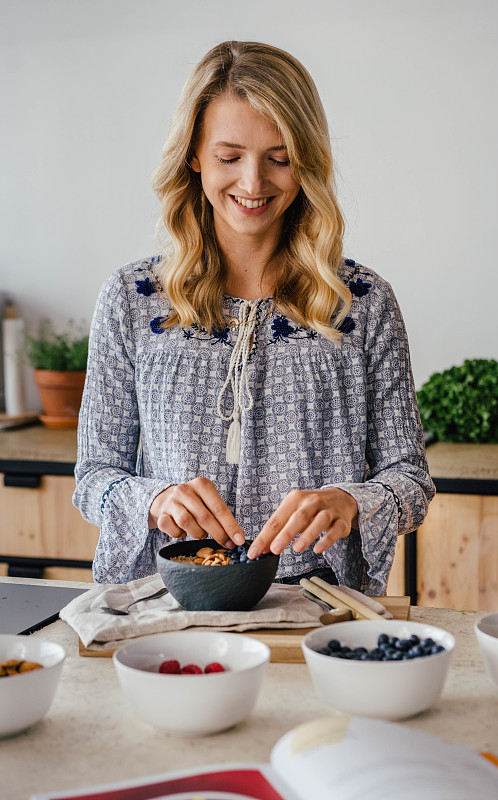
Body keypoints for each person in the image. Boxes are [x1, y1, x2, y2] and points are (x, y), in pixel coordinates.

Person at [73, 40, 435, 594]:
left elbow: (410, 480)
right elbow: (94, 476)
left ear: (307, 159)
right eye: (229, 156)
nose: (253, 182)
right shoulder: (132, 298)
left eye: (280, 157)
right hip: (169, 608)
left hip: (319, 611)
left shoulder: (362, 302)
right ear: (193, 154)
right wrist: (156, 500)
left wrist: (351, 501)